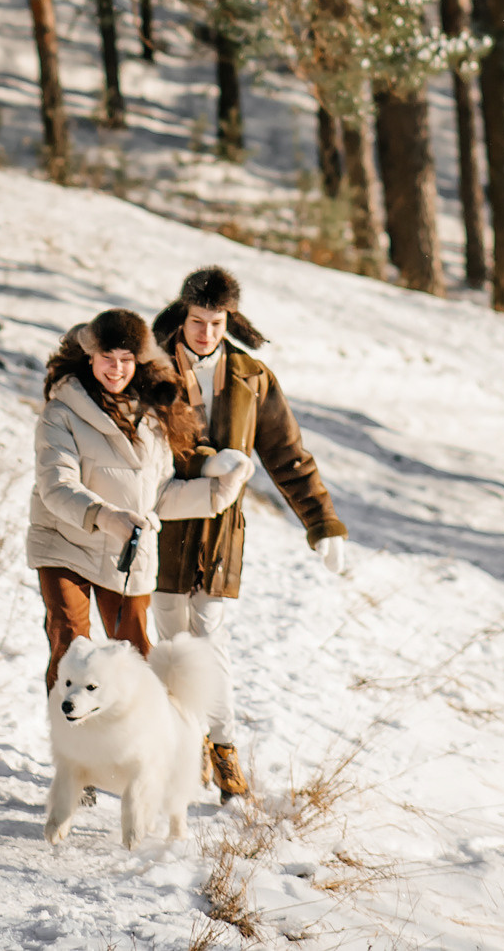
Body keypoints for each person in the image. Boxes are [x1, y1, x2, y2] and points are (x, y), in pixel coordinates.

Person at [152, 264, 347, 800]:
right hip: (162, 525)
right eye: (197, 321)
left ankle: (224, 749)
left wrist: (322, 522)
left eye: (217, 323)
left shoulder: (252, 377)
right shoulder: (153, 369)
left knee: (209, 639)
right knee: (171, 641)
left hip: (220, 535)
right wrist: (205, 463)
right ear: (182, 316)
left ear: (230, 320)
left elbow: (288, 454)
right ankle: (181, 744)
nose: (206, 334)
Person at [28, 305, 254, 695]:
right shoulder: (61, 411)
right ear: (90, 357)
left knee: (134, 654)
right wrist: (104, 515)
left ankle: (138, 744)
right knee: (72, 647)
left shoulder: (151, 418)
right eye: (106, 359)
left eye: (125, 360)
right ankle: (72, 747)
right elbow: (56, 486)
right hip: (65, 544)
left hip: (125, 554)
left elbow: (159, 496)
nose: (115, 369)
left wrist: (219, 492)